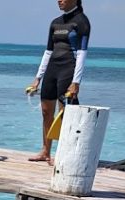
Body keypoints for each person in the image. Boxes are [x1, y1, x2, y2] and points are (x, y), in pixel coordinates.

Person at [27, 0, 91, 164]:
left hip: (68, 69)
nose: (59, 0)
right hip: (52, 69)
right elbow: (48, 51)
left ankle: (63, 153)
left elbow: (82, 53)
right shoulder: (55, 23)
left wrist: (76, 81)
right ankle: (45, 151)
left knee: (65, 115)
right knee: (46, 112)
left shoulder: (81, 22)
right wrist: (38, 78)